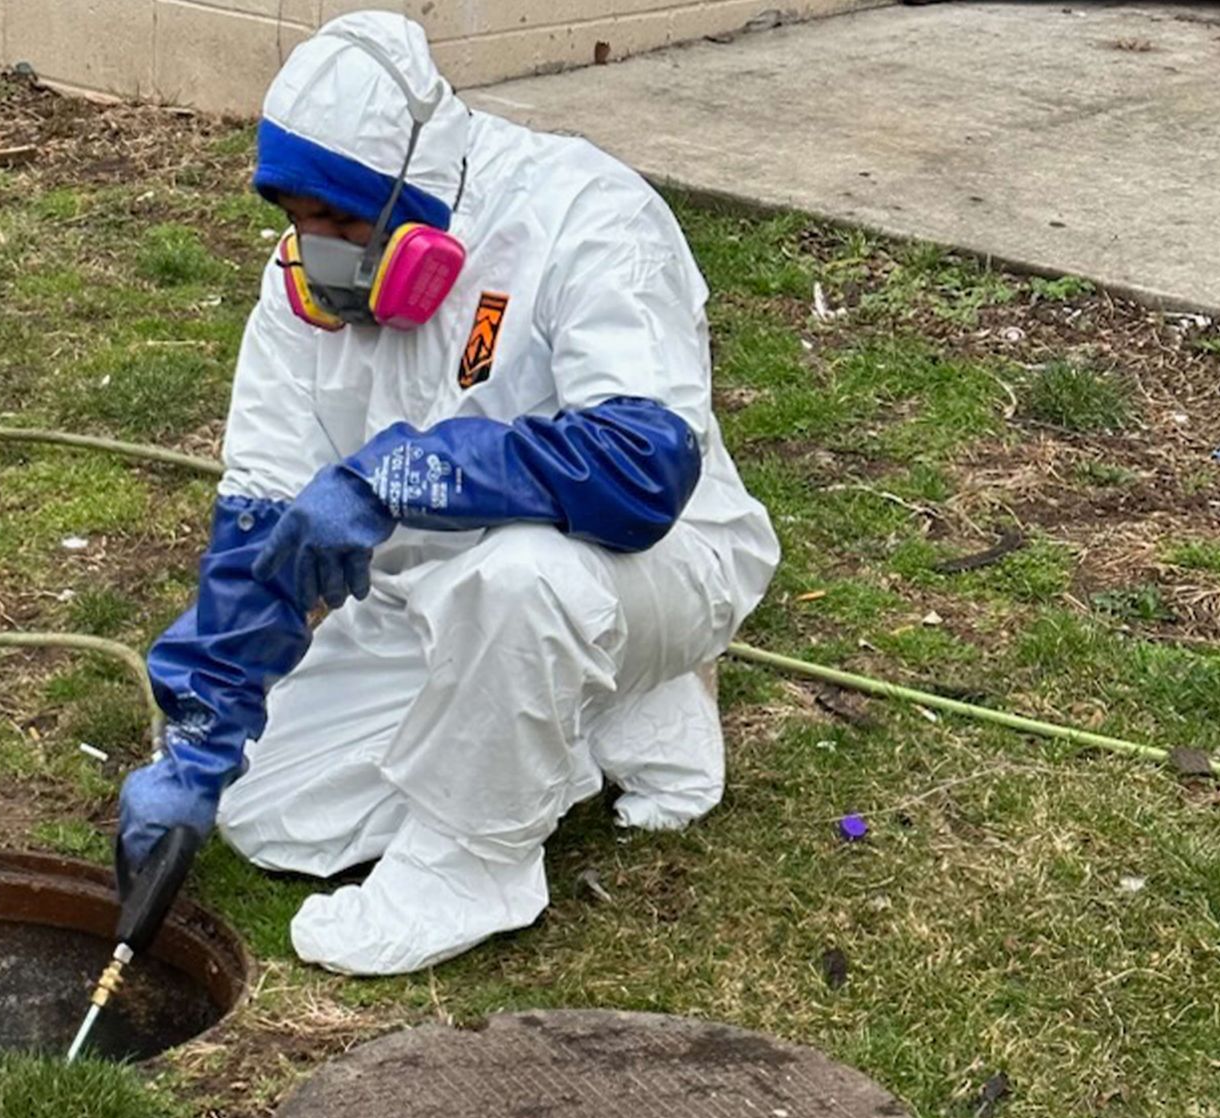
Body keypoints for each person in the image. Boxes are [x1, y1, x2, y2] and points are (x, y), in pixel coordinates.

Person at [114, 10, 779, 976]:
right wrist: (198, 743)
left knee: (522, 580)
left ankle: (475, 864)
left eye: (341, 220)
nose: (316, 249)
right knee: (271, 815)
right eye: (296, 220)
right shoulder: (300, 285)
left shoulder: (586, 213)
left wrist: (403, 475)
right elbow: (255, 524)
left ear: (420, 183)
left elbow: (643, 467)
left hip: (654, 563)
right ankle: (589, 716)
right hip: (424, 595)